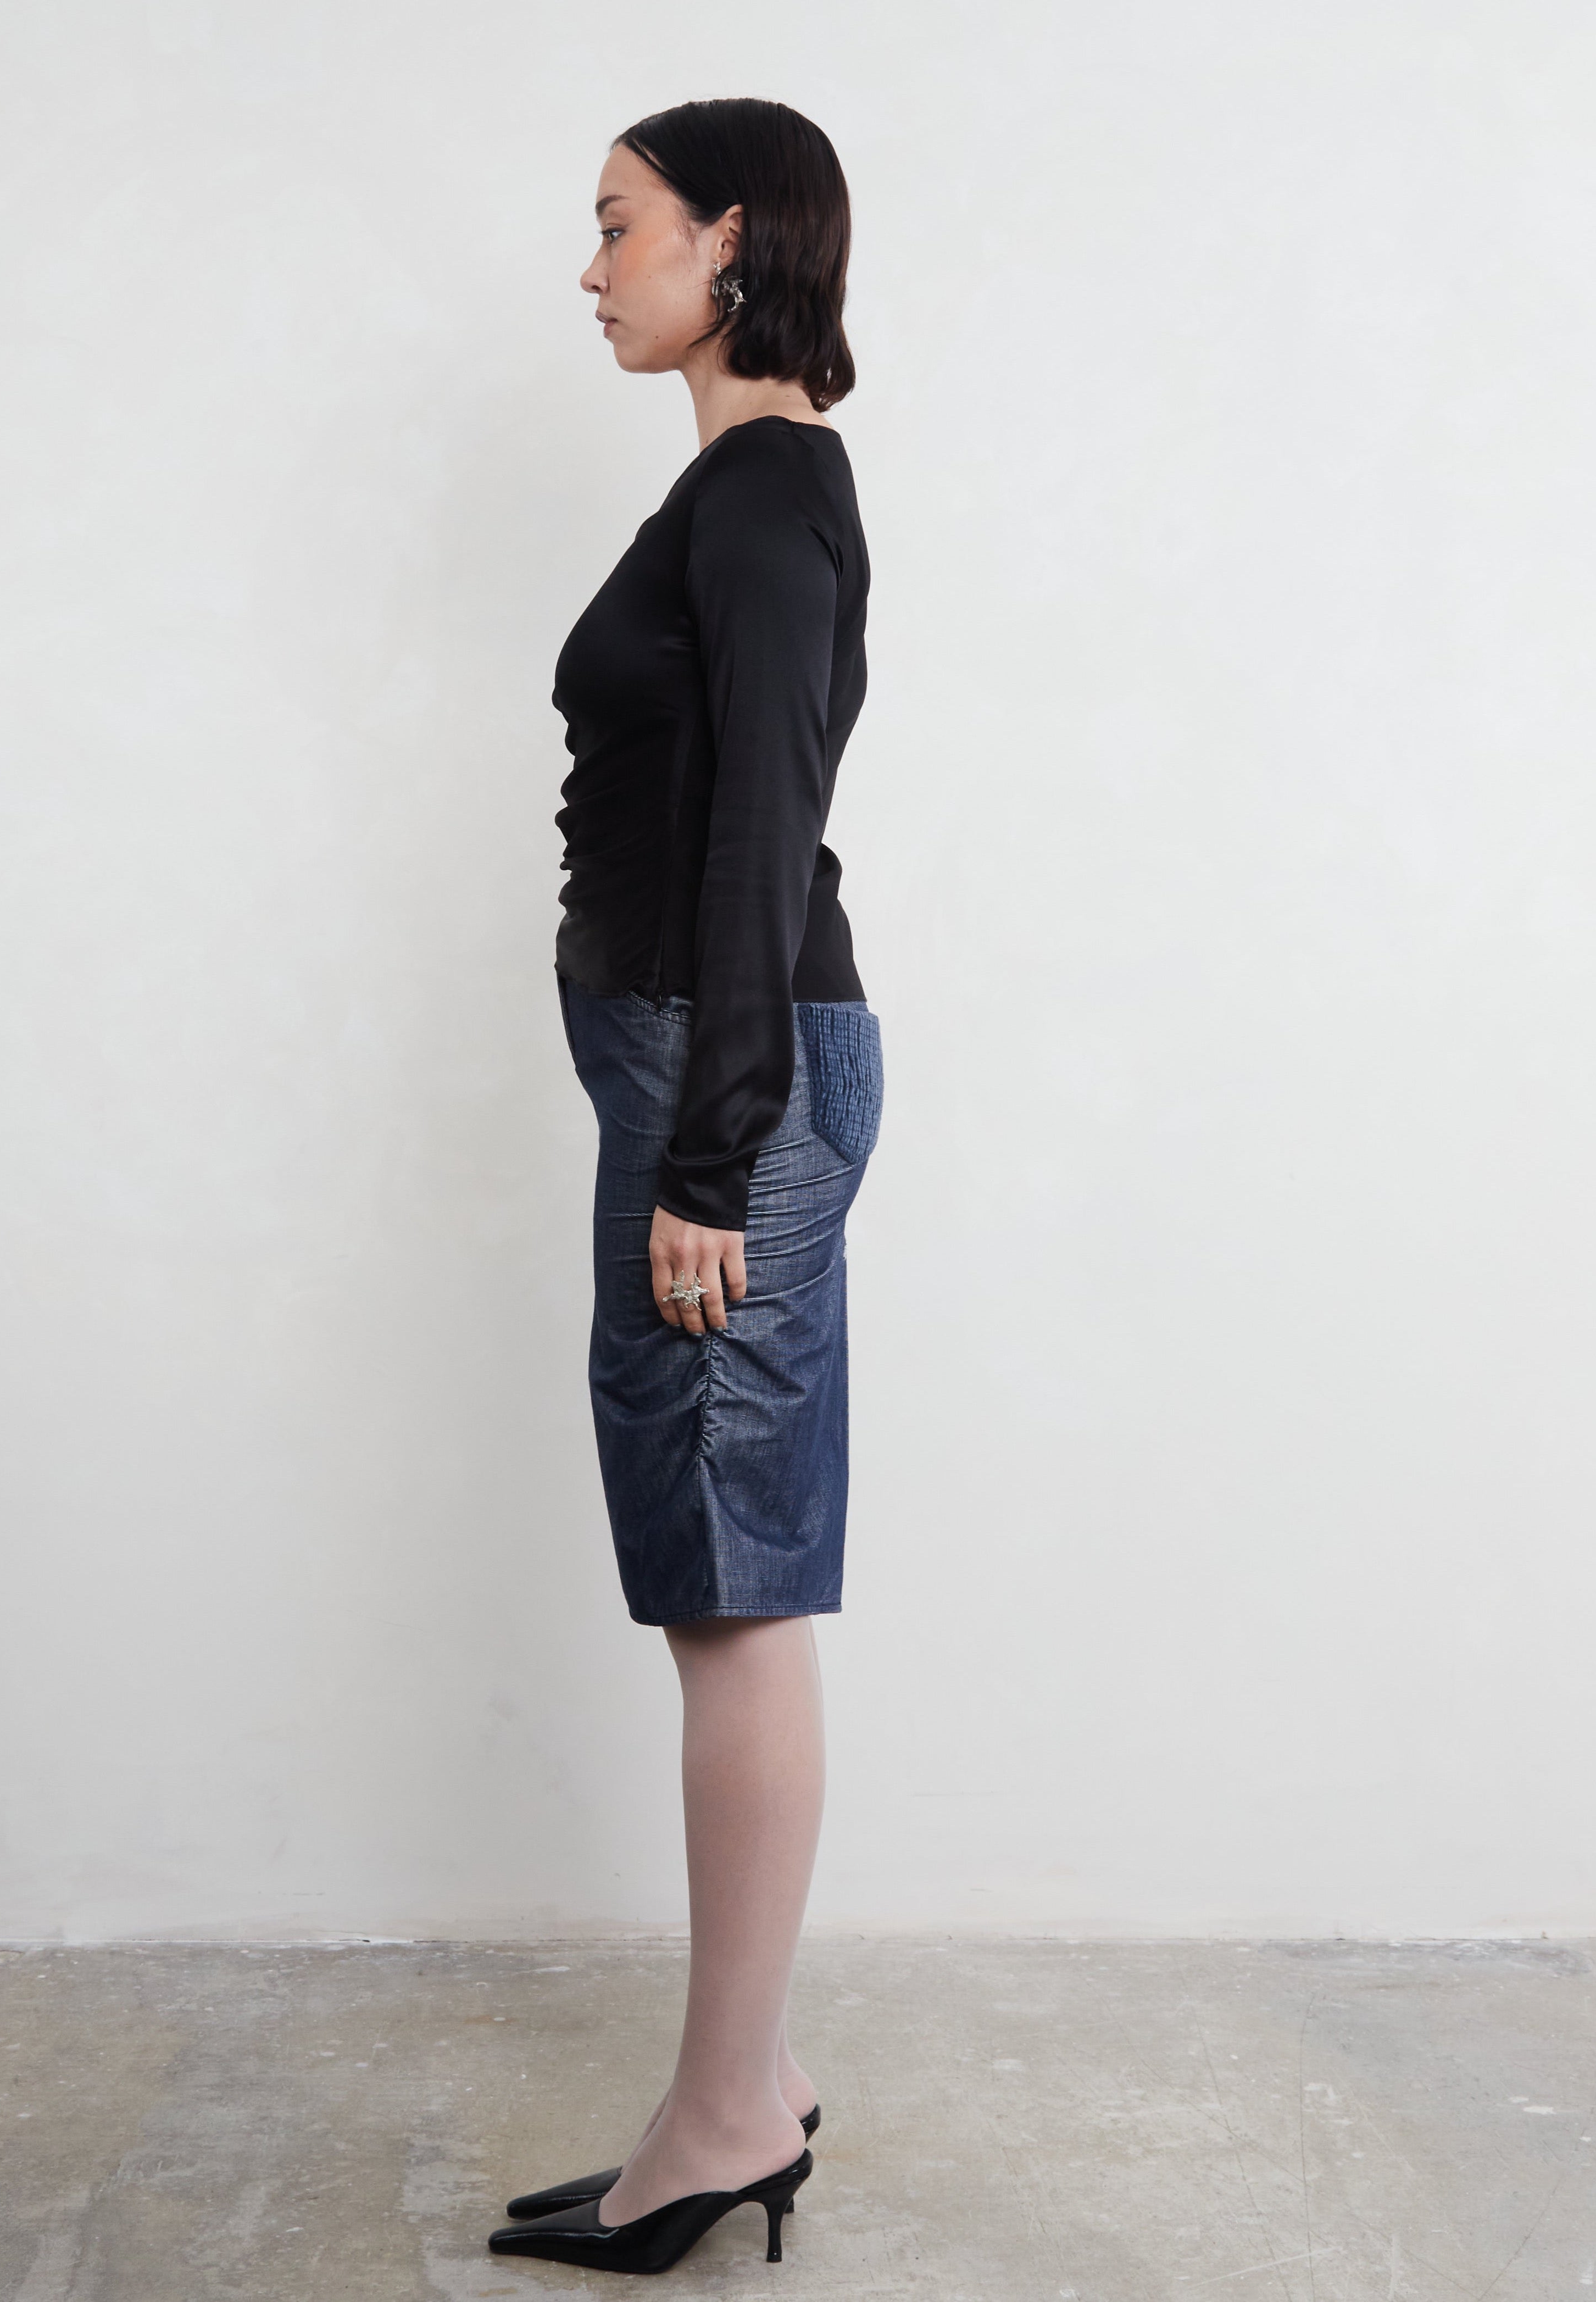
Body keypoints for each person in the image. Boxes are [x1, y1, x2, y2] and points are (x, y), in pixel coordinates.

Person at [490, 96, 882, 2277]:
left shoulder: (762, 496)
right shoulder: (743, 493)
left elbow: (755, 846)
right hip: (703, 1074)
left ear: (733, 239)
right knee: (714, 1574)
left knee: (730, 1591)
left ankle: (726, 2108)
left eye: (620, 223)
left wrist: (713, 1153)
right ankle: (749, 2078)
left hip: (725, 1096)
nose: (592, 265)